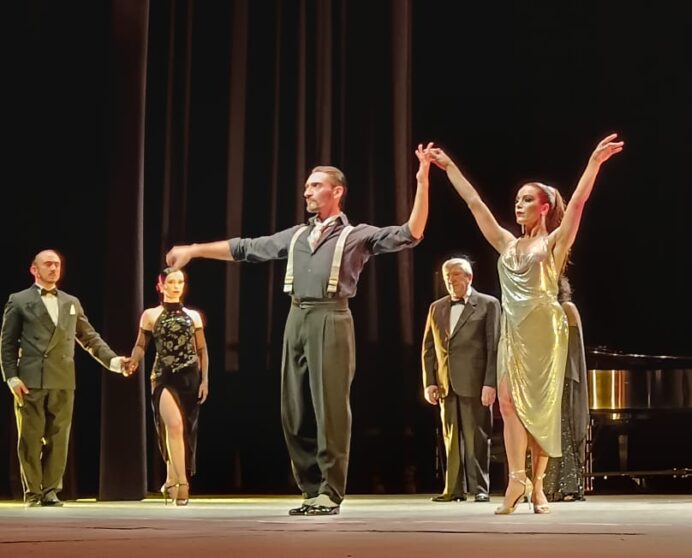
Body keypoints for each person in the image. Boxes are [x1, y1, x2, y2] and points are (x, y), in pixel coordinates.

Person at [163, 145, 431, 515]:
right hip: (296, 317)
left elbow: (410, 233)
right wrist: (194, 250)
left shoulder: (356, 235)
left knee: (330, 407)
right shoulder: (297, 236)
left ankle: (330, 491)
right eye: (306, 186)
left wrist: (422, 181)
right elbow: (248, 248)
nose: (307, 191)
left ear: (337, 191)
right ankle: (310, 488)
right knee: (294, 409)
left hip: (331, 317)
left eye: (315, 185)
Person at [427, 133, 623, 515]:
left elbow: (578, 203)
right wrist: (448, 166)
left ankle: (537, 484)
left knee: (540, 407)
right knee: (507, 401)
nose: (519, 204)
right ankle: (517, 478)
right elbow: (474, 203)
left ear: (545, 207)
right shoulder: (507, 243)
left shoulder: (554, 243)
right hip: (512, 329)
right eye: (517, 199)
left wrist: (593, 164)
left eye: (528, 199)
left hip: (544, 328)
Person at [1, 250, 131, 507]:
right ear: (34, 269)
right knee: (30, 438)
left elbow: (89, 337)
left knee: (59, 438)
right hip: (30, 379)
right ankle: (33, 492)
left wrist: (114, 361)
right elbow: (7, 344)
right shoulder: (19, 300)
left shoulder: (71, 302)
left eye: (57, 264)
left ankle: (50, 491)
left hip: (62, 378)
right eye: (48, 264)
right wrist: (11, 377)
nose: (53, 268)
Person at [123, 268, 208, 506]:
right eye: (171, 282)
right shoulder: (151, 315)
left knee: (182, 431)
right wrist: (133, 360)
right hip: (163, 376)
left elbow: (202, 350)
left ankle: (170, 480)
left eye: (180, 281)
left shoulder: (193, 316)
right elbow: (141, 345)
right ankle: (182, 483)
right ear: (160, 286)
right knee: (173, 425)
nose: (176, 286)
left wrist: (205, 380)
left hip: (189, 378)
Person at [422, 257, 500, 503]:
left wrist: (490, 383)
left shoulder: (488, 304)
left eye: (455, 274)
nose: (450, 279)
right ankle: (453, 489)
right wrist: (429, 382)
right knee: (450, 438)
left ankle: (480, 488)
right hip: (446, 383)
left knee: (477, 437)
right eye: (447, 275)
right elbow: (429, 348)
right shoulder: (437, 307)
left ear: (469, 277)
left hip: (475, 383)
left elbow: (493, 347)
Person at [543, 277, 589, 502]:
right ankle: (546, 486)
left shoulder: (567, 308)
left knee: (563, 431)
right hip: (544, 379)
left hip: (563, 377)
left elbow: (572, 350)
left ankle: (567, 485)